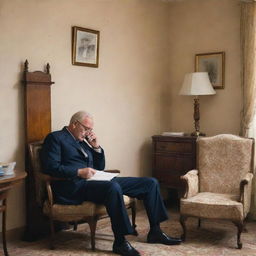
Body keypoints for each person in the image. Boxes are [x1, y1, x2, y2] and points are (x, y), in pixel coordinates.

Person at [41, 111, 181, 256]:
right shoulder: (56, 138)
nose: (88, 132)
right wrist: (79, 172)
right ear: (74, 124)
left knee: (150, 183)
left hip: (92, 182)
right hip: (72, 186)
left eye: (90, 129)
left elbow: (99, 167)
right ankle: (120, 242)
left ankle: (155, 232)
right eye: (86, 128)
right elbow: (50, 167)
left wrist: (96, 147)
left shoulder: (83, 140)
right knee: (112, 187)